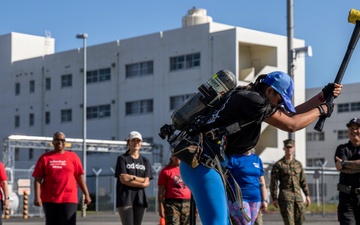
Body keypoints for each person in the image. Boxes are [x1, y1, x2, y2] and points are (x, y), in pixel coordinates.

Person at [179, 71, 342, 225]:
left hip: (204, 164)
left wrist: (322, 96)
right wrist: (322, 110)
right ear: (270, 90)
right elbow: (292, 124)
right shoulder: (254, 101)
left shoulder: (250, 97)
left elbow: (290, 115)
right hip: (203, 165)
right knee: (218, 223)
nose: (280, 106)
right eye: (279, 100)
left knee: (224, 222)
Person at [32, 131, 91, 225]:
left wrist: (86, 194)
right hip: (50, 199)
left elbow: (80, 177)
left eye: (62, 140)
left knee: (69, 222)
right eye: (57, 140)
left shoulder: (73, 157)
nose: (59, 142)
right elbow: (37, 179)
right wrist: (37, 197)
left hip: (69, 198)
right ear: (52, 142)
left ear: (65, 142)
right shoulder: (44, 158)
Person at [114, 131, 153, 225]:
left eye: (138, 140)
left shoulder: (145, 161)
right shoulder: (122, 158)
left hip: (140, 199)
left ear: (141, 143)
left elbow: (146, 182)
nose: (136, 143)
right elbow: (123, 179)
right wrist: (142, 181)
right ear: (128, 142)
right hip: (125, 198)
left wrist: (132, 177)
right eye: (133, 140)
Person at [269, 139, 311, 225]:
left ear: (294, 148)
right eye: (287, 147)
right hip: (286, 198)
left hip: (298, 198)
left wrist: (307, 195)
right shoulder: (279, 165)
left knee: (300, 220)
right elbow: (274, 183)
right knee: (289, 222)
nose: (289, 149)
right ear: (284, 148)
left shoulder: (298, 164)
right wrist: (274, 198)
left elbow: (303, 181)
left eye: (291, 147)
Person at [227, 149, 268, 225]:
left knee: (251, 223)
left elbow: (261, 181)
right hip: (238, 199)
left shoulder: (257, 159)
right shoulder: (234, 159)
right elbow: (225, 179)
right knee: (246, 223)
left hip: (255, 199)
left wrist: (264, 200)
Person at [334, 118, 360, 225]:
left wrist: (345, 163)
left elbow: (342, 164)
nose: (354, 131)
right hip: (346, 199)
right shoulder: (342, 149)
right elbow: (339, 166)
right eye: (351, 128)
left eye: (357, 128)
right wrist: (345, 165)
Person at [158, 155, 192, 225]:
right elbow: (161, 191)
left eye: (180, 156)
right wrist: (161, 206)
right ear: (172, 157)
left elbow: (194, 188)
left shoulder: (189, 170)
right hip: (172, 203)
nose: (177, 158)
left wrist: (196, 208)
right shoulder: (166, 171)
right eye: (175, 156)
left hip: (187, 203)